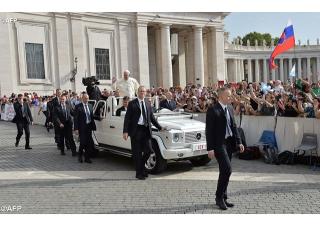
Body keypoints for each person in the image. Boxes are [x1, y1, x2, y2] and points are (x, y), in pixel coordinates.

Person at [205, 87, 244, 210]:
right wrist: (210, 148)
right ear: (221, 96)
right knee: (227, 169)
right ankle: (219, 197)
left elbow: (234, 126)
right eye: (228, 96)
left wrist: (239, 142)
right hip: (218, 145)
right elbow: (209, 131)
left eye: (231, 95)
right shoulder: (212, 110)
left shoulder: (230, 108)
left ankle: (223, 198)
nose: (230, 97)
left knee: (224, 171)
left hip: (229, 143)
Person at [123, 86, 163, 180]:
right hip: (136, 130)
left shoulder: (148, 103)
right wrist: (125, 131)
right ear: (137, 92)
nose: (142, 93)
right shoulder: (132, 103)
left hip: (146, 130)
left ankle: (141, 168)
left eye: (144, 91)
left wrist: (159, 127)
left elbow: (152, 118)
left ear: (145, 93)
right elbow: (127, 118)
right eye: (140, 91)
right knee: (137, 153)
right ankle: (139, 173)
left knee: (149, 150)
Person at [74, 93, 96, 163]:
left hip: (89, 127)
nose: (86, 100)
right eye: (85, 98)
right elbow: (76, 118)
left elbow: (92, 116)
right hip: (82, 128)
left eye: (87, 98)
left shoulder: (90, 105)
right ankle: (80, 156)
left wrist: (99, 118)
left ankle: (87, 158)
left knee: (89, 143)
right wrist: (76, 128)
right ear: (82, 98)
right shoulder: (78, 106)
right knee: (83, 143)